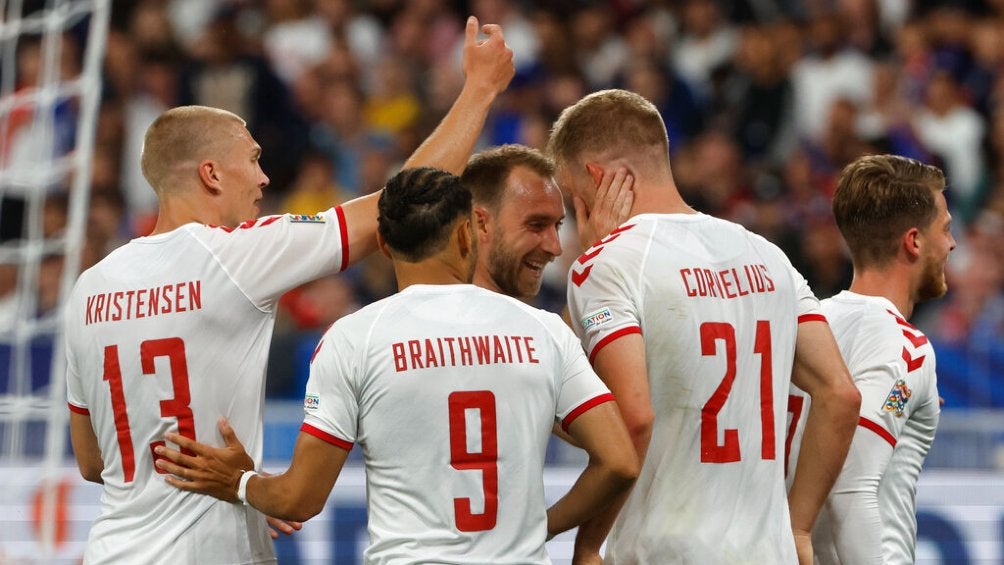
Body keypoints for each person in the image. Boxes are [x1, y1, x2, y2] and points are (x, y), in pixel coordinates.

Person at [65, 16, 514, 564]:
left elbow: (92, 461)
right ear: (211, 174)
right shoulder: (232, 256)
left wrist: (242, 493)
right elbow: (397, 207)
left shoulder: (90, 288)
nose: (264, 179)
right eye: (252, 160)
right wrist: (479, 90)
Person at [153, 166, 640, 563]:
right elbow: (618, 461)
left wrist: (238, 482)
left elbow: (299, 500)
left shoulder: (352, 339)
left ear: (384, 246)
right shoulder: (543, 331)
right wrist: (540, 525)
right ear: (468, 234)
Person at [546, 88, 862, 564]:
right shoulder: (767, 254)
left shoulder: (610, 263)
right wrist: (797, 526)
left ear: (599, 177)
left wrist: (587, 542)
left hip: (666, 551)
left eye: (573, 197)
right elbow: (841, 394)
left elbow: (630, 420)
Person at [786, 155, 955, 564]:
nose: (951, 243)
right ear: (914, 241)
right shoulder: (906, 349)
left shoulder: (810, 326)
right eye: (946, 229)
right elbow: (851, 488)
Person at [460, 143, 634, 303]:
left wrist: (595, 263)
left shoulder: (547, 323)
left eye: (557, 226)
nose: (555, 248)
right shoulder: (434, 324)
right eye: (536, 225)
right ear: (481, 224)